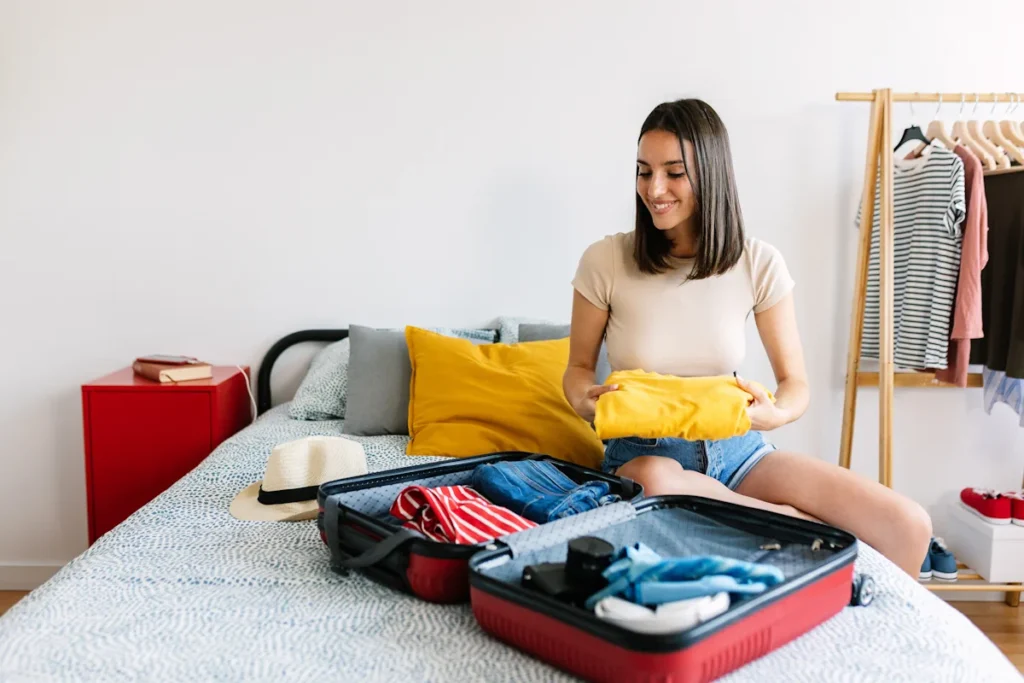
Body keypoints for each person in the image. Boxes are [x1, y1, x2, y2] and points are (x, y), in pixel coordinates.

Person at [562, 97, 932, 578]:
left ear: (712, 173)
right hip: (645, 456)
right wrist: (586, 404)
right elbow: (578, 370)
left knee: (909, 525)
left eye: (674, 172)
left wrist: (775, 413)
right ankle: (809, 535)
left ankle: (835, 590)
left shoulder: (757, 262)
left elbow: (794, 382)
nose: (654, 189)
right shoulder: (606, 260)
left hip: (738, 452)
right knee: (654, 483)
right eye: (643, 170)